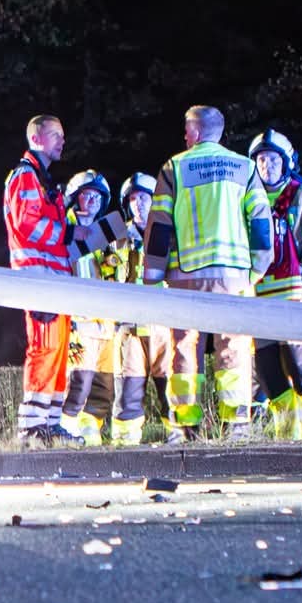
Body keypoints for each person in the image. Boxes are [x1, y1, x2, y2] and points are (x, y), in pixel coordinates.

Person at [140, 105, 273, 442]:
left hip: (186, 275)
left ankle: (185, 427)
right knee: (235, 348)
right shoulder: (244, 167)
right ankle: (237, 425)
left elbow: (159, 225)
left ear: (196, 133)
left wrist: (152, 275)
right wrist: (256, 269)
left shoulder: (175, 167)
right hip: (233, 276)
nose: (184, 137)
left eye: (187, 130)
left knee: (184, 348)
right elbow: (260, 222)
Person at [245, 128, 302, 440]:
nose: (266, 166)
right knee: (267, 369)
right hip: (262, 297)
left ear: (286, 162)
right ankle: (288, 432)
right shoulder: (250, 201)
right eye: (260, 160)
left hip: (298, 295)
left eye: (272, 159)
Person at [2, 113, 77, 444]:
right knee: (44, 347)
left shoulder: (42, 179)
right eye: (55, 135)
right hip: (37, 277)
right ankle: (32, 426)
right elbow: (28, 225)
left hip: (53, 278)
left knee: (58, 350)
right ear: (36, 139)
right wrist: (70, 232)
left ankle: (49, 423)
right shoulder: (25, 177)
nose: (62, 140)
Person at [57, 170, 120, 445]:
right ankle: (64, 429)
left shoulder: (108, 234)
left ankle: (90, 434)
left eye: (97, 196)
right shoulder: (64, 231)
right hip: (77, 320)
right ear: (75, 198)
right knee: (79, 382)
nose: (92, 201)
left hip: (106, 321)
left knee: (103, 384)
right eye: (87, 195)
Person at [109, 172, 171, 445]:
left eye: (144, 197)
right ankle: (125, 445)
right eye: (133, 199)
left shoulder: (169, 232)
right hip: (129, 328)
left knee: (172, 390)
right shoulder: (117, 237)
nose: (139, 204)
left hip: (164, 325)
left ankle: (181, 438)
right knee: (128, 392)